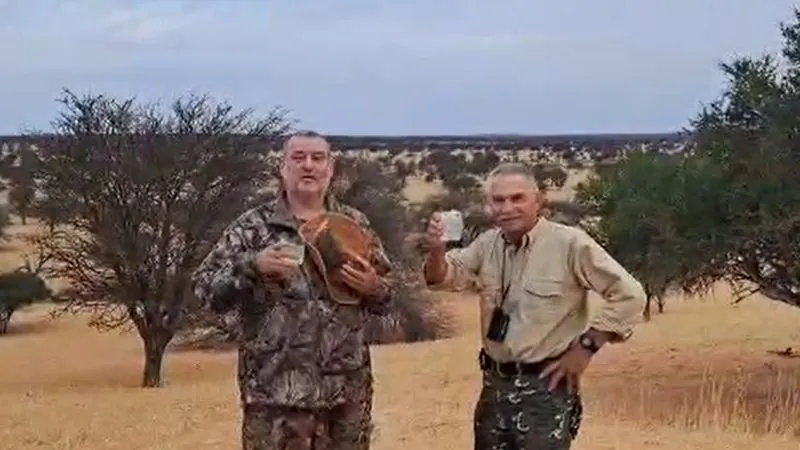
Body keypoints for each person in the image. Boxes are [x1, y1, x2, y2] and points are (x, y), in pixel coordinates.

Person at [191, 131, 397, 450]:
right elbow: (204, 291)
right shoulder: (252, 227)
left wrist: (374, 287)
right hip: (273, 401)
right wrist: (252, 266)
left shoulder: (354, 224)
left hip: (345, 401)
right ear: (283, 167)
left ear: (331, 168)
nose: (308, 165)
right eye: (298, 158)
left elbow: (387, 298)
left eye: (317, 158)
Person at [423, 162, 646, 450]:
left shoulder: (570, 244)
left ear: (538, 201)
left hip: (546, 390)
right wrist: (436, 249)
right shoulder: (487, 244)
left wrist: (586, 347)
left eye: (517, 198)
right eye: (499, 200)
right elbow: (440, 278)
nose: (507, 208)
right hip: (494, 388)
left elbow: (630, 295)